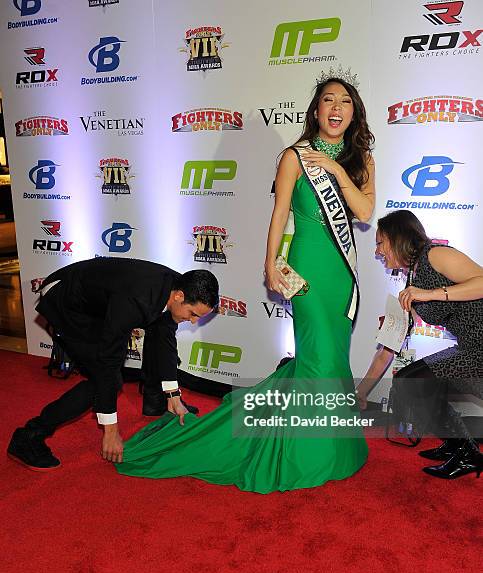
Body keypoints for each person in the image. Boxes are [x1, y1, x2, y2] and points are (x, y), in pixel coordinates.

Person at [115, 74, 376, 493]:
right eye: (328, 100)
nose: (336, 107)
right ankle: (307, 452)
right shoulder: (294, 156)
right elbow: (279, 216)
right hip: (306, 269)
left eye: (344, 101)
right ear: (316, 111)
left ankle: (334, 446)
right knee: (317, 360)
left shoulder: (360, 159)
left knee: (335, 358)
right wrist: (271, 264)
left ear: (353, 113)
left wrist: (334, 170)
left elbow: (364, 212)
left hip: (341, 274)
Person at [7, 257, 219, 470]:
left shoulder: (176, 286)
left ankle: (156, 401)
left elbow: (165, 339)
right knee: (105, 379)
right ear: (179, 296)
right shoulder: (137, 300)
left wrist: (173, 395)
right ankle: (28, 436)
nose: (193, 322)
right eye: (193, 314)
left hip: (97, 302)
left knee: (158, 333)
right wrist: (111, 431)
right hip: (66, 302)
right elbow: (108, 361)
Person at [357, 211, 483, 479]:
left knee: (416, 382)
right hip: (468, 346)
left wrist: (430, 294)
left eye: (380, 242)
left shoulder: (435, 254)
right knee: (407, 380)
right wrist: (362, 391)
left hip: (480, 346)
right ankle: (457, 444)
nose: (378, 251)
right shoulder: (409, 283)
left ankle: (467, 454)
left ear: (396, 237)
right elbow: (389, 346)